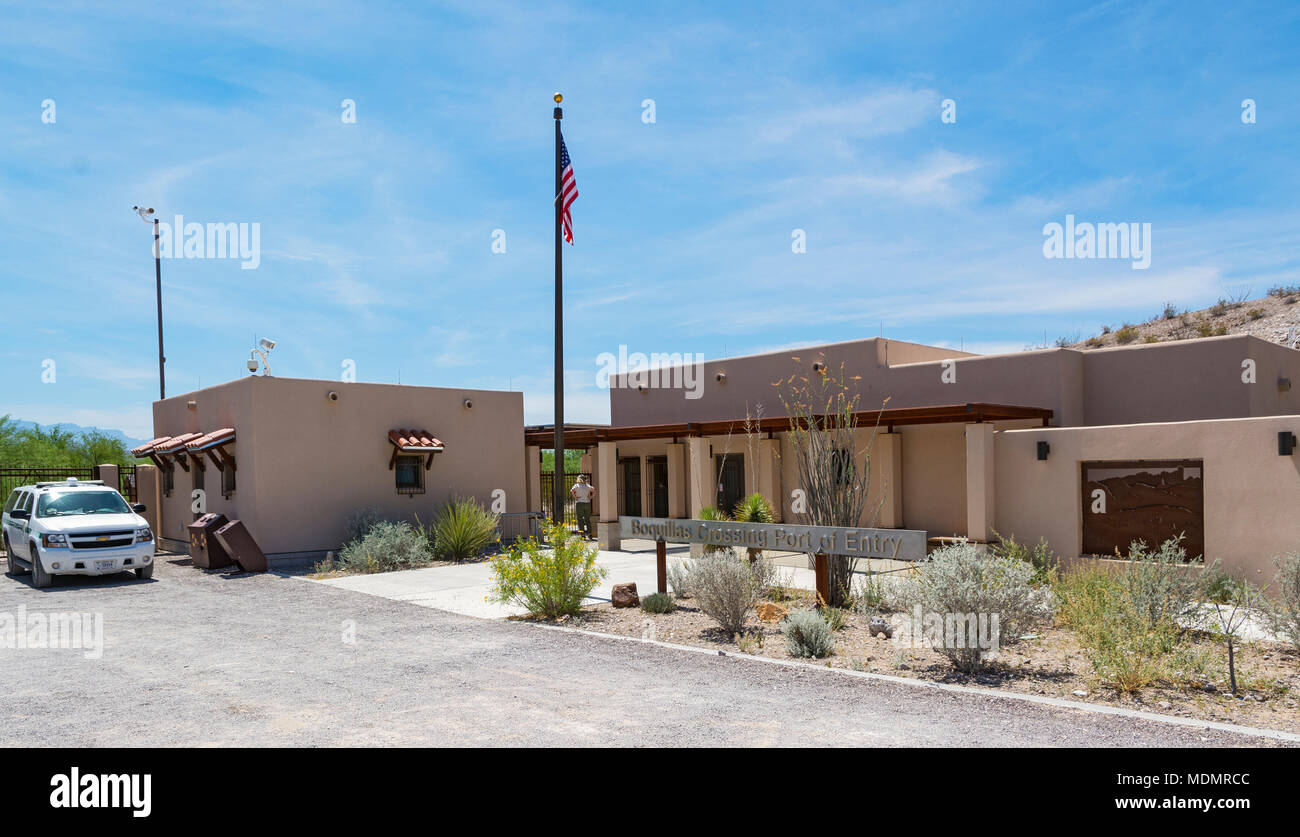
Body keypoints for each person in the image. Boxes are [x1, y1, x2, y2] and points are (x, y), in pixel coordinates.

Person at [570, 475, 596, 539]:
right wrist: (590, 497)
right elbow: (594, 491)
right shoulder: (587, 486)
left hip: (579, 503)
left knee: (580, 519)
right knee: (587, 519)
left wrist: (575, 497)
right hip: (587, 503)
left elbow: (572, 491)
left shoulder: (576, 485)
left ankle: (582, 535)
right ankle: (590, 535)